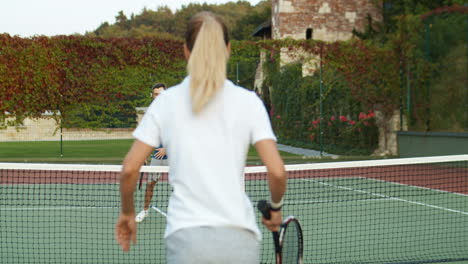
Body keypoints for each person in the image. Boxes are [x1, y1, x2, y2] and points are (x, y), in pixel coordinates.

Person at [115, 11, 286, 264]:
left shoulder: (165, 103)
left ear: (186, 51)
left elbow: (130, 169)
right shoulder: (249, 102)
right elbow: (277, 171)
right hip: (240, 237)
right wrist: (275, 208)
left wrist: (128, 214)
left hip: (186, 237)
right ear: (227, 49)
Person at [135, 83, 168, 223]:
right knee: (150, 184)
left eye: (161, 94)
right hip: (157, 155)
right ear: (152, 95)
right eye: (156, 94)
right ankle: (145, 210)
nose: (158, 96)